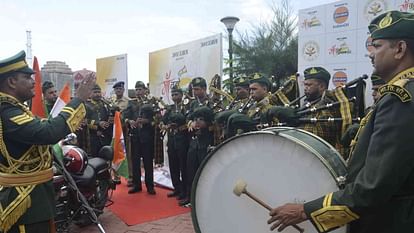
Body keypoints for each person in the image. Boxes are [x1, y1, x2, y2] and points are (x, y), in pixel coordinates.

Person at [267, 10, 414, 233]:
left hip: (392, 221)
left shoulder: (400, 98)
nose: (370, 53)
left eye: (377, 45)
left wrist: (305, 211)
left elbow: (374, 187)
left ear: (400, 49)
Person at [0, 50, 95, 233]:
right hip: (25, 199)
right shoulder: (8, 111)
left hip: (36, 193)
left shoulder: (14, 109)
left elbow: (39, 127)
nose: (33, 82)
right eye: (27, 78)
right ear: (12, 82)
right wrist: (79, 99)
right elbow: (48, 132)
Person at [123, 81, 156, 195]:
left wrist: (147, 121)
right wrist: (129, 121)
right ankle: (137, 185)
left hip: (147, 136)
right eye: (136, 89)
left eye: (140, 89)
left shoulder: (151, 102)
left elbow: (157, 118)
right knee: (135, 161)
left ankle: (150, 185)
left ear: (145, 90)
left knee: (147, 162)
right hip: (135, 136)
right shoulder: (131, 103)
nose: (138, 92)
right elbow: (124, 116)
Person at [162, 87, 189, 201]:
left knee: (183, 166)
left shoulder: (186, 107)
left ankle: (184, 191)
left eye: (176, 94)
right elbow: (164, 121)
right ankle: (176, 188)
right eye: (172, 95)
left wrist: (179, 126)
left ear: (182, 95)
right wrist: (166, 125)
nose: (174, 97)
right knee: (173, 165)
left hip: (182, 139)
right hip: (172, 139)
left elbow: (189, 122)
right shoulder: (170, 108)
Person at [85, 84, 114, 157]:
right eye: (95, 92)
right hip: (93, 138)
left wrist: (112, 120)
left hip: (106, 137)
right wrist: (98, 124)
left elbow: (110, 118)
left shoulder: (106, 105)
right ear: (90, 93)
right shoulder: (86, 106)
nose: (97, 94)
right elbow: (84, 121)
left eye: (98, 92)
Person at [111, 81, 130, 185]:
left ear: (123, 90)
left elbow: (128, 116)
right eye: (117, 89)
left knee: (125, 152)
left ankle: (128, 176)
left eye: (120, 89)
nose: (118, 90)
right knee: (114, 151)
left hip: (124, 130)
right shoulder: (111, 101)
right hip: (113, 131)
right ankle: (116, 176)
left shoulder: (128, 101)